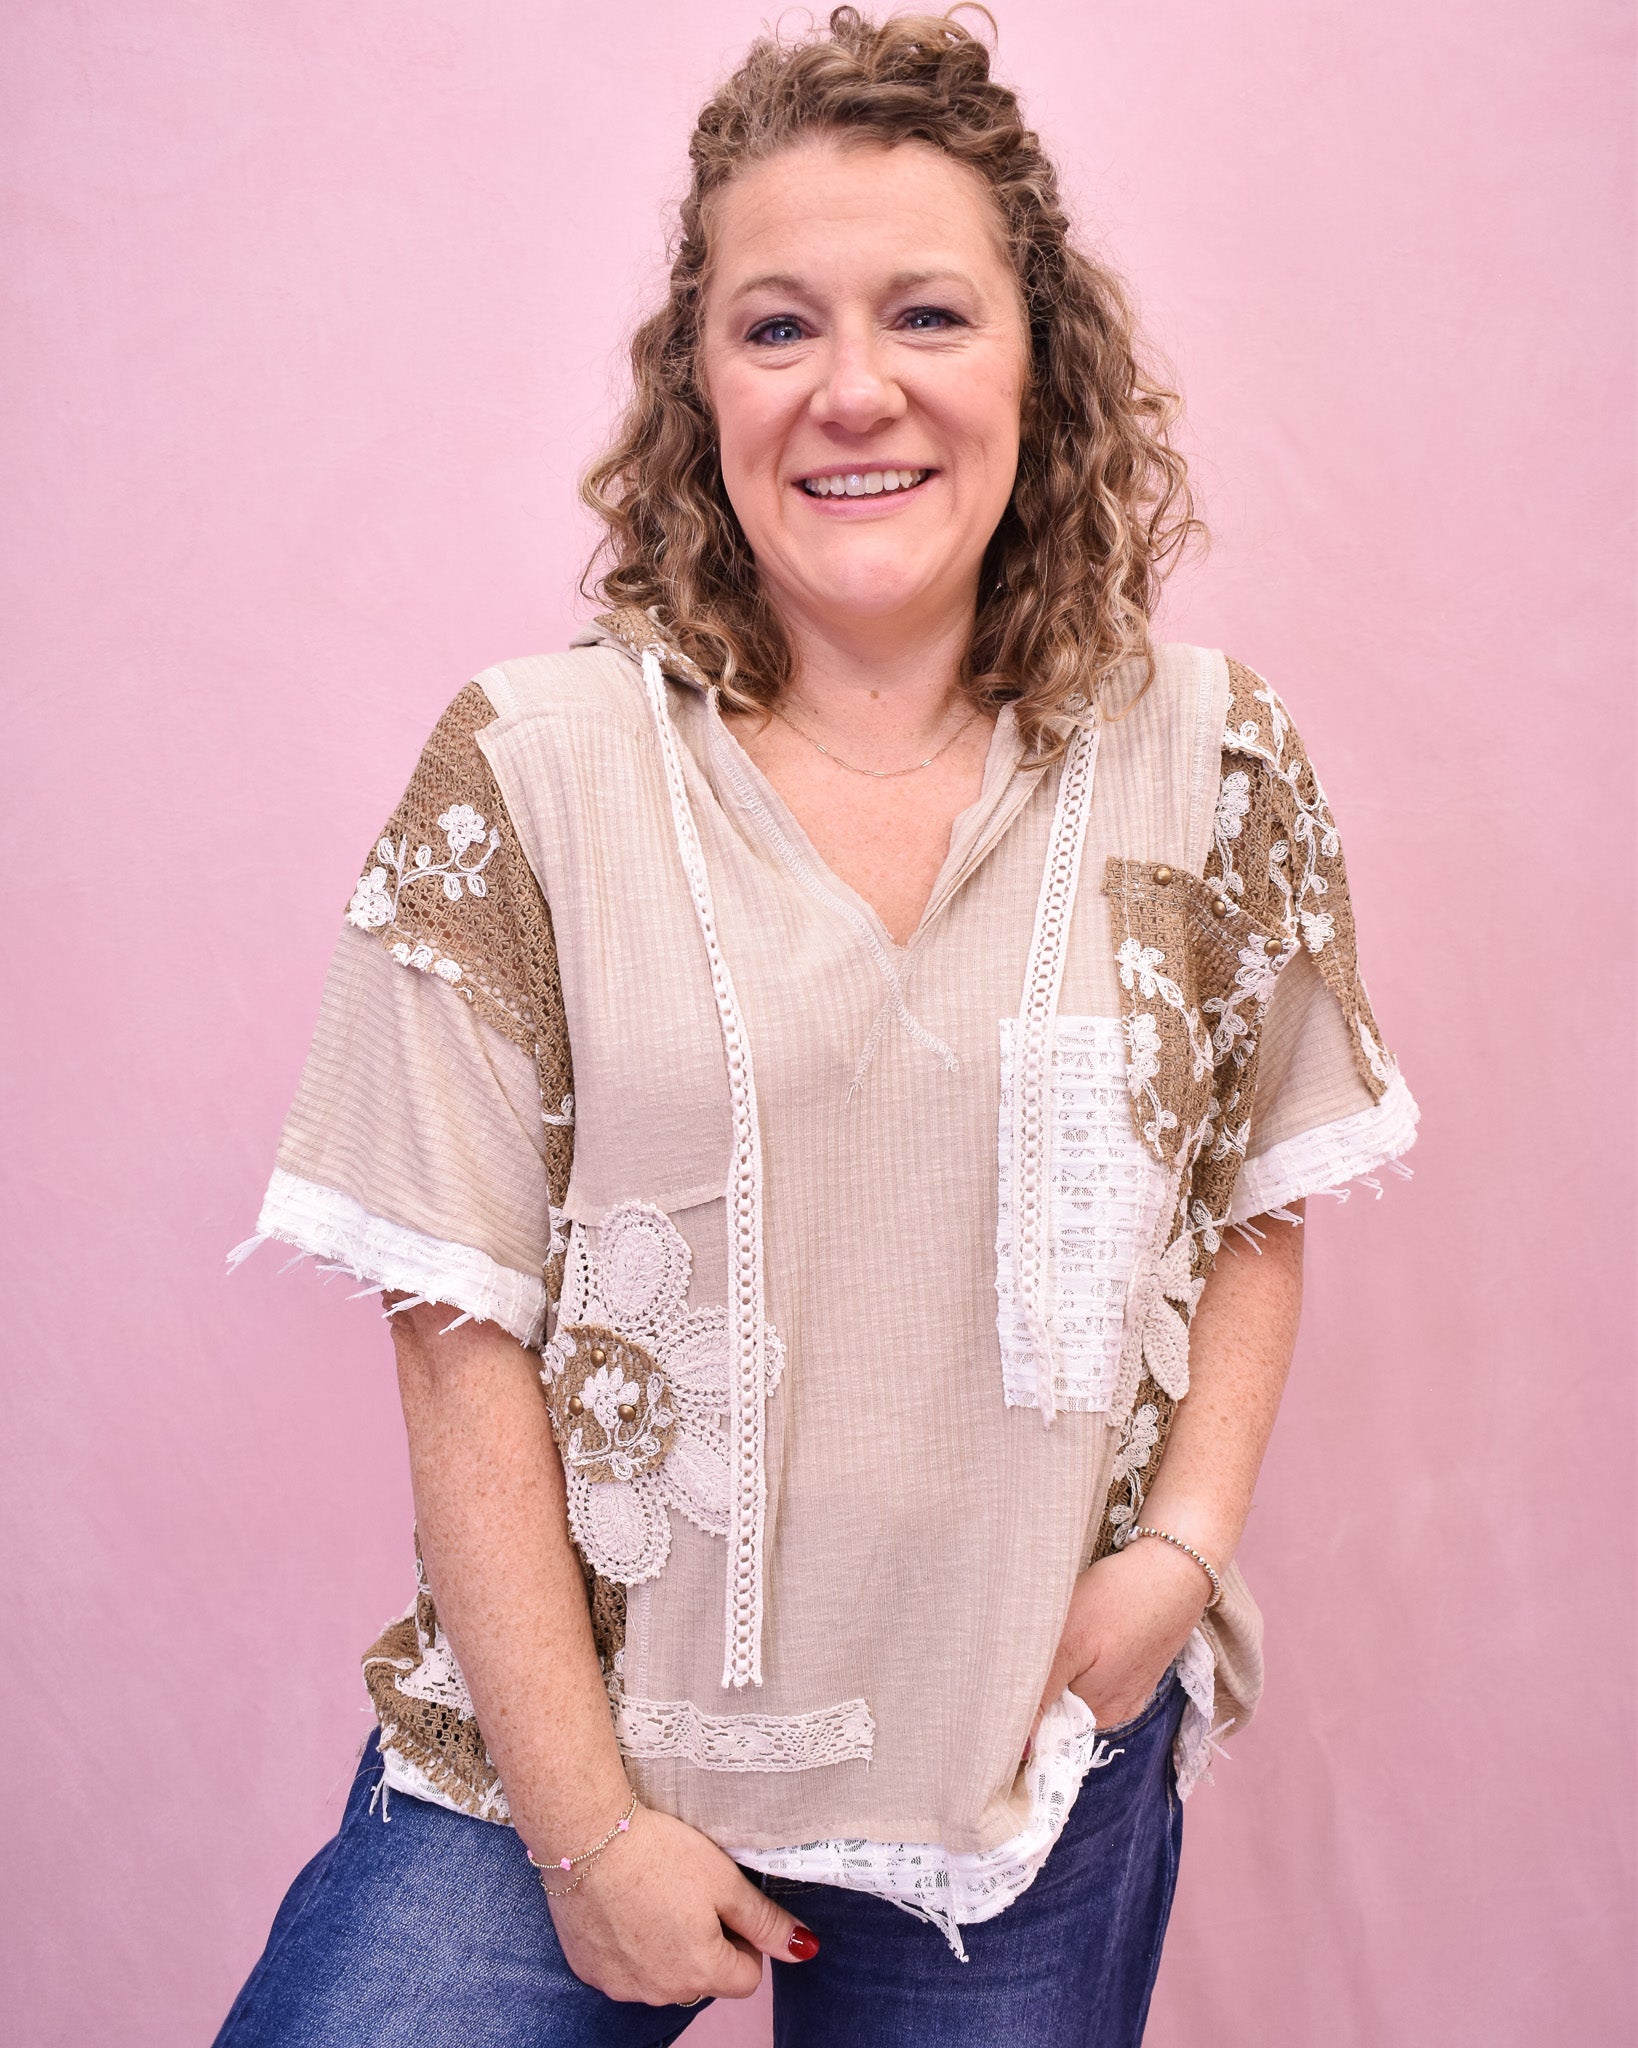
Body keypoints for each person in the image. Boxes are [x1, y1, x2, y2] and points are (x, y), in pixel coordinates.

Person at [217, 11, 1418, 2045]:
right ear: (699, 383)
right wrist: (589, 1829)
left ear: (1040, 359)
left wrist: (1180, 1556)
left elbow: (1257, 1202)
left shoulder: (1213, 764)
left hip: (1014, 1777)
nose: (854, 387)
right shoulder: (533, 770)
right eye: (777, 326)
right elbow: (454, 1327)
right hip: (570, 1755)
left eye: (926, 312)